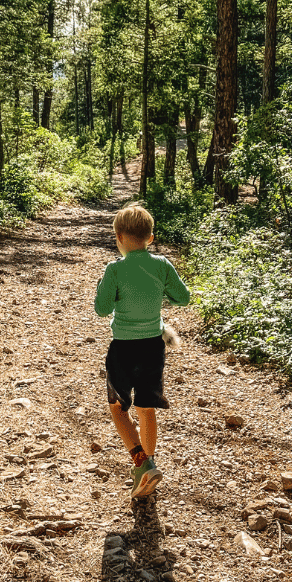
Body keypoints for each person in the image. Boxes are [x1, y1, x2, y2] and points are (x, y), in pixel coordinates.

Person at [93, 203, 191, 499]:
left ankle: (142, 463)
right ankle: (146, 470)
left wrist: (112, 289)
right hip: (152, 347)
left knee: (118, 409)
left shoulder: (115, 269)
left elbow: (101, 309)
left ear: (119, 237)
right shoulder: (162, 265)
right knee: (146, 409)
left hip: (123, 348)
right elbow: (183, 298)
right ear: (150, 238)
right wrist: (158, 295)